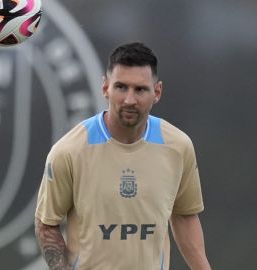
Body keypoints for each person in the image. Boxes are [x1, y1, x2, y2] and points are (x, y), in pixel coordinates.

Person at [34, 42, 211, 270]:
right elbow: (47, 223)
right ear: (105, 88)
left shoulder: (178, 146)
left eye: (140, 89)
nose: (129, 100)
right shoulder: (69, 151)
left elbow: (184, 215)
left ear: (157, 92)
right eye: (121, 87)